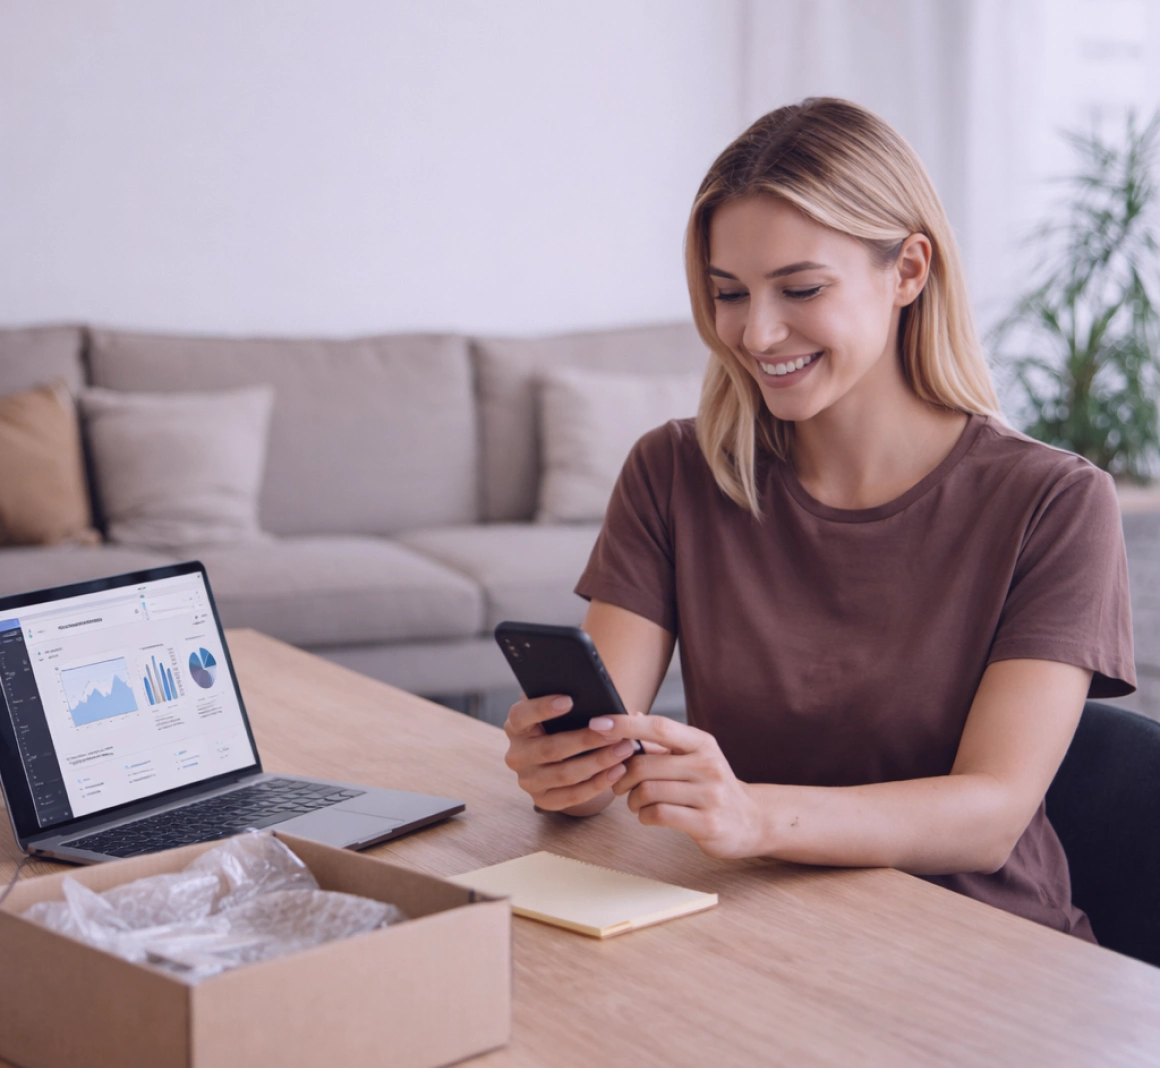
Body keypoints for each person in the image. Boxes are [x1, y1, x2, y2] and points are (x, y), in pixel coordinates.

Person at [502, 97, 1136, 939]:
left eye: (800, 288)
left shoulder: (1053, 502)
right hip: (753, 926)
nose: (757, 333)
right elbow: (605, 752)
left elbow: (990, 816)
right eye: (729, 293)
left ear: (908, 271)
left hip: (978, 949)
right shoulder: (674, 472)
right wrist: (565, 773)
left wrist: (753, 817)